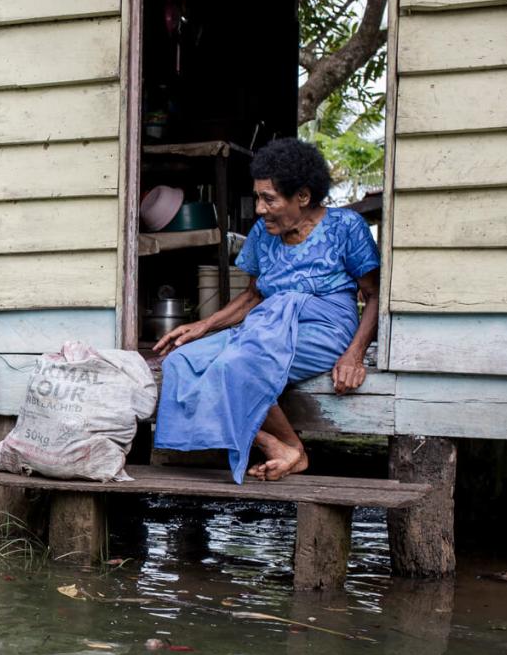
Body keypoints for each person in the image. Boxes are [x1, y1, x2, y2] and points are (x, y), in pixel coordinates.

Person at [152, 138, 380, 483]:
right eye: (258, 197)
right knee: (180, 362)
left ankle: (292, 447)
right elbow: (253, 295)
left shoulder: (346, 227)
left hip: (324, 326)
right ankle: (273, 442)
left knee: (237, 364)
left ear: (302, 197)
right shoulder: (264, 232)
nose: (259, 208)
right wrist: (203, 326)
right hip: (265, 325)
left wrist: (354, 355)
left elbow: (373, 295)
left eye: (268, 199)